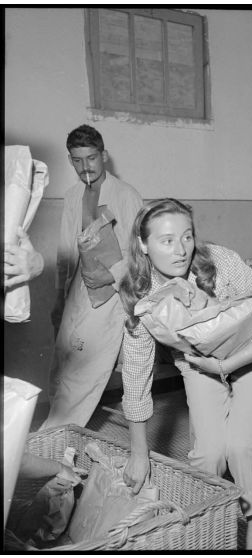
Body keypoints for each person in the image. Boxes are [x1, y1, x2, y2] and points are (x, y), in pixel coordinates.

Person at [118, 199, 252, 549]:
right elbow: (136, 375)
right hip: (199, 365)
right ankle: (209, 527)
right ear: (143, 244)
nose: (181, 250)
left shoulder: (220, 262)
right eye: (167, 240)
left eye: (187, 236)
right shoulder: (141, 293)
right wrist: (138, 453)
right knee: (209, 453)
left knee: (241, 447)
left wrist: (226, 366)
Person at [41, 124, 143, 429]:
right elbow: (65, 252)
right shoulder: (73, 195)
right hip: (78, 290)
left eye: (92, 158)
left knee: (82, 371)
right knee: (60, 367)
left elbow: (140, 252)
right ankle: (58, 435)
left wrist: (111, 277)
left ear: (104, 156)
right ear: (70, 160)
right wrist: (59, 299)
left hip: (113, 293)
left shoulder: (126, 195)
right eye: (77, 160)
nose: (86, 166)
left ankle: (56, 436)